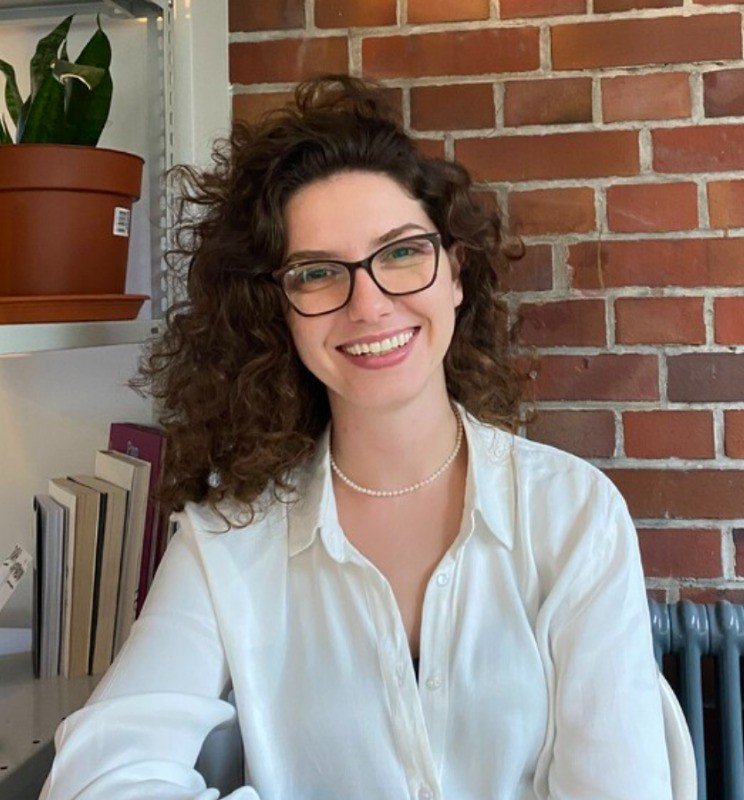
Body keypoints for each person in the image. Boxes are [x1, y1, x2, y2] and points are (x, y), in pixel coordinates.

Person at [39, 73, 672, 800]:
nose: (369, 305)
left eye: (401, 253)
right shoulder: (228, 539)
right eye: (316, 273)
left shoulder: (574, 515)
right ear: (277, 310)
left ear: (455, 273)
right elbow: (100, 777)